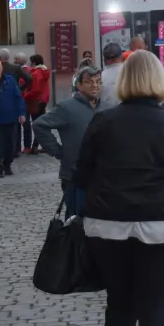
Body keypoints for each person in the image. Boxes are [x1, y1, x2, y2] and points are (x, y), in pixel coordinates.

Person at [78, 51, 164, 326]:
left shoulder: (102, 121)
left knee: (119, 303)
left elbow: (81, 174)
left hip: (108, 220)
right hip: (161, 220)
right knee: (155, 304)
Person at [34, 66, 100, 216]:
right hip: (74, 174)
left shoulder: (106, 107)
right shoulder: (66, 107)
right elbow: (39, 125)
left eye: (98, 82)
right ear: (79, 85)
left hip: (101, 174)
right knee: (75, 218)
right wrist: (58, 151)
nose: (95, 85)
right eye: (89, 82)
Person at [23, 55, 51, 155]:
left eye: (31, 61)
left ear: (34, 63)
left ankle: (35, 146)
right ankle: (40, 145)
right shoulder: (44, 71)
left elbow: (36, 90)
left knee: (37, 124)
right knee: (41, 124)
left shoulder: (36, 73)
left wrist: (25, 96)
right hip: (43, 100)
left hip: (36, 101)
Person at [99, 44, 127, 112]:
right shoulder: (131, 73)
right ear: (121, 56)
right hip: (128, 114)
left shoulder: (100, 77)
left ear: (105, 60)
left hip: (107, 115)